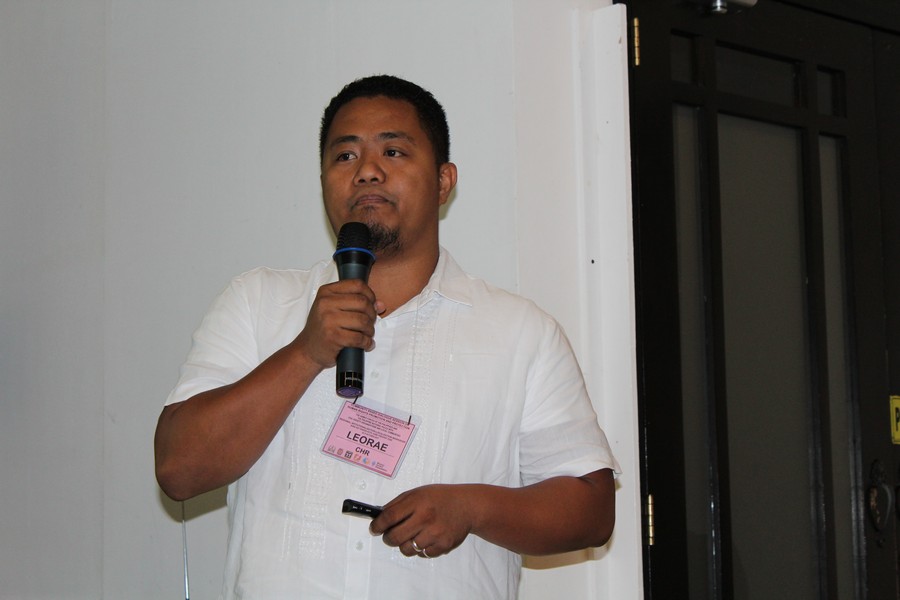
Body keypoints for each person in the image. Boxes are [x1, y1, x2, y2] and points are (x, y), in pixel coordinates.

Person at [155, 74, 619, 599]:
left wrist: (473, 507)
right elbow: (179, 469)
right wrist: (305, 352)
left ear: (443, 181)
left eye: (393, 152)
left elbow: (591, 509)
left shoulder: (520, 332)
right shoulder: (258, 302)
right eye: (345, 156)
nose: (367, 171)